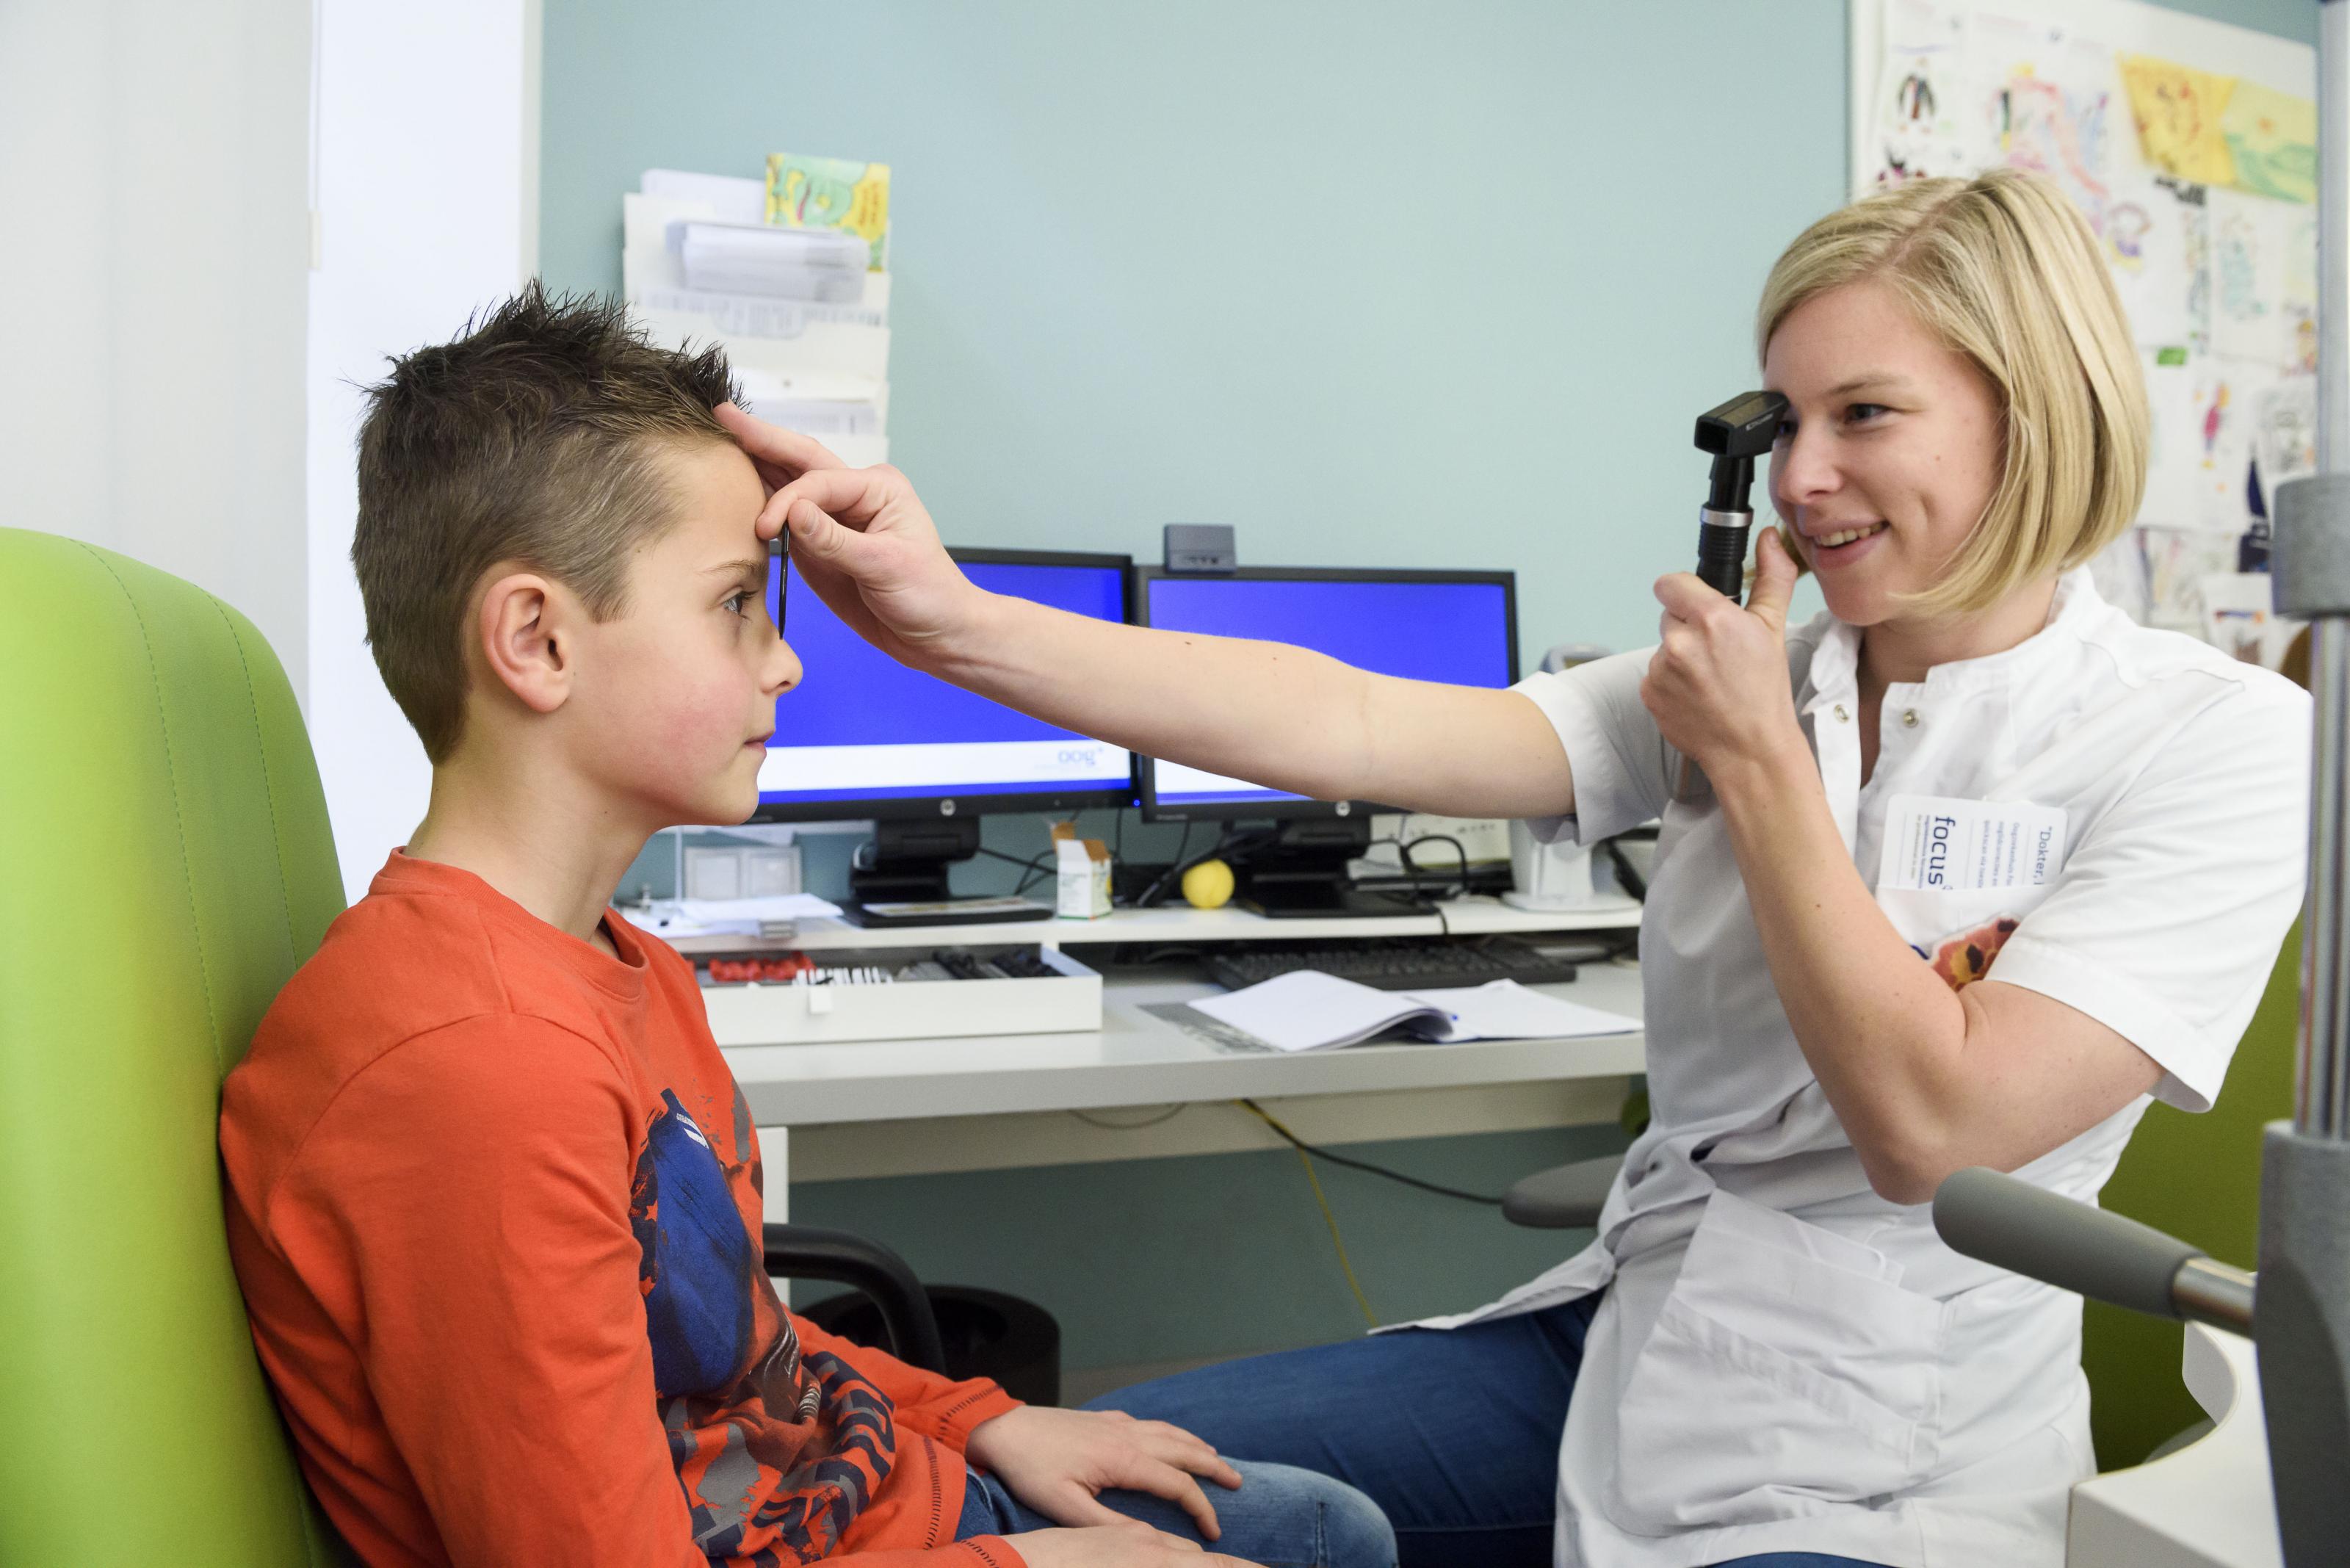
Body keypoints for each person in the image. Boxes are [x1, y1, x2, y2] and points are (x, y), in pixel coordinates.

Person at [717, 167, 2311, 1568]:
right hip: (1633, 1333)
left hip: (1892, 1454)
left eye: (1863, 415)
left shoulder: (2208, 737)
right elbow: (1345, 724)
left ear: (2029, 410)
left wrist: (1756, 765)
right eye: (1786, 422)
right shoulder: (1768, 678)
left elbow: (1931, 1127)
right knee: (1085, 1482)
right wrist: (947, 620)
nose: (1803, 479)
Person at [217, 286, 1398, 1568]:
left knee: (1330, 1530)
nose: (784, 663)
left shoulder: (623, 967)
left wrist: (985, 1421)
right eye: (737, 602)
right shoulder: (475, 1075)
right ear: (536, 640)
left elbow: (740, 1343)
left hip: (859, 1497)